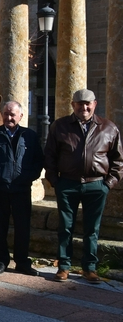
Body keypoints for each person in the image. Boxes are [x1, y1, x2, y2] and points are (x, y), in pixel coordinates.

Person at [45, 88, 123, 284]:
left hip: (96, 185)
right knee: (65, 227)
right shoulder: (60, 127)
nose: (84, 108)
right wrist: (55, 181)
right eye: (80, 104)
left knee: (92, 229)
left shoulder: (108, 128)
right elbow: (50, 156)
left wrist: (108, 183)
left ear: (94, 104)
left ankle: (90, 268)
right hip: (68, 184)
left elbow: (118, 160)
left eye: (88, 104)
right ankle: (63, 266)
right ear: (73, 105)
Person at [0, 101, 43, 276]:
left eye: (13, 114)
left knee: (23, 227)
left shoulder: (30, 136)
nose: (9, 118)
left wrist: (28, 177)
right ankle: (1, 260)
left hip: (21, 189)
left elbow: (38, 161)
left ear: (21, 116)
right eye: (7, 114)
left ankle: (22, 262)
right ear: (2, 114)